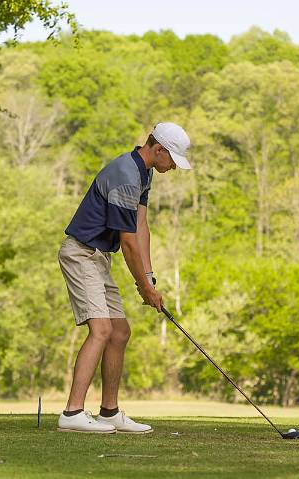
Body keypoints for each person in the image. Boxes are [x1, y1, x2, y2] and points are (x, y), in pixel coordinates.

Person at [56, 122, 191, 433]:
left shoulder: (144, 173)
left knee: (119, 332)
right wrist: (143, 289)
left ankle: (109, 412)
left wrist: (149, 279)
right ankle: (72, 413)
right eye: (172, 160)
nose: (172, 167)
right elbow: (127, 240)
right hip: (80, 253)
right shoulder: (126, 175)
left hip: (98, 258)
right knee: (101, 330)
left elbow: (141, 227)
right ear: (159, 150)